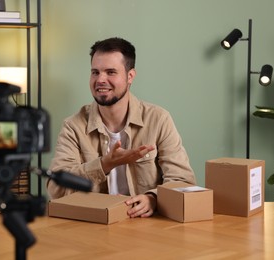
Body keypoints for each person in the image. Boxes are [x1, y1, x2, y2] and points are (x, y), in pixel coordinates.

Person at [47, 37, 196, 218]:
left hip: (148, 229)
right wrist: (105, 164)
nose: (100, 79)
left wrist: (153, 198)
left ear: (130, 76)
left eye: (110, 72)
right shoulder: (73, 126)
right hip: (94, 226)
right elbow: (56, 190)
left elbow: (183, 181)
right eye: (95, 72)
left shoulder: (158, 119)